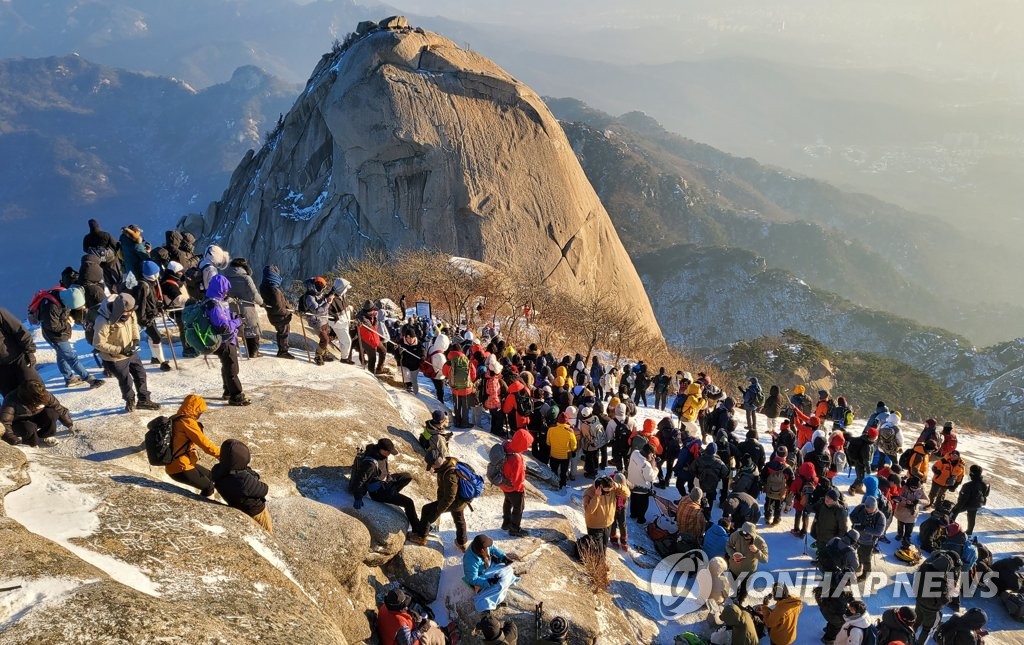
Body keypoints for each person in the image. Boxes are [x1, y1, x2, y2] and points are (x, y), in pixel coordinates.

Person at [92, 294, 160, 412]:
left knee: (140, 374)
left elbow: (134, 326)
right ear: (118, 310)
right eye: (126, 312)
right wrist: (120, 350)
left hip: (131, 351)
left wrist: (136, 340)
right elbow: (98, 343)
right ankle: (130, 401)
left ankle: (144, 400)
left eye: (131, 311)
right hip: (114, 357)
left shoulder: (131, 312)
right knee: (126, 380)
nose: (129, 314)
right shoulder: (103, 320)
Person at [37, 285, 103, 388]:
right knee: (71, 358)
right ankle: (90, 379)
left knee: (62, 355)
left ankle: (69, 379)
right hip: (55, 336)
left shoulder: (64, 294)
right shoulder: (50, 307)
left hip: (59, 332)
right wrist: (68, 324)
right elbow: (53, 326)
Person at [352, 437, 419, 532]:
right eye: (388, 452)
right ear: (382, 449)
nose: (389, 455)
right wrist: (358, 496)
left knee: (407, 477)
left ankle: (392, 494)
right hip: (378, 493)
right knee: (409, 502)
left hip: (386, 483)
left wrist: (389, 478)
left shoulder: (381, 454)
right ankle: (417, 529)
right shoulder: (370, 463)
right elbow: (360, 480)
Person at [409, 451, 471, 550]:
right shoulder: (451, 461)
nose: (432, 468)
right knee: (459, 520)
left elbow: (450, 497)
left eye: (432, 465)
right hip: (462, 499)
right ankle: (462, 542)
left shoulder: (450, 475)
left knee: (427, 510)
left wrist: (438, 509)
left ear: (437, 463)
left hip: (455, 500)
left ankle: (421, 537)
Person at [205, 275, 250, 406]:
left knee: (227, 366)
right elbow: (223, 327)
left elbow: (224, 320)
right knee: (232, 368)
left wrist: (234, 318)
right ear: (220, 289)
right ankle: (236, 396)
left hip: (223, 340)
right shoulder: (214, 305)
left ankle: (228, 391)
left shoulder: (213, 300)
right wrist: (238, 321)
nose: (226, 292)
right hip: (224, 341)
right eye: (225, 289)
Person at [211, 438, 272, 532]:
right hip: (256, 511)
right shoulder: (242, 479)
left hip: (237, 505)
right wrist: (253, 477)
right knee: (267, 532)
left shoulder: (218, 470)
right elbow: (264, 489)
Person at [165, 394, 220, 496]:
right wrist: (221, 455)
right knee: (209, 487)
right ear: (195, 409)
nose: (200, 414)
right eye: (200, 411)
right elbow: (205, 444)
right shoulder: (187, 422)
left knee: (211, 476)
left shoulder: (174, 418)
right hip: (181, 467)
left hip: (176, 464)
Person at [0, 379, 74, 447]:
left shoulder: (44, 394)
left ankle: (45, 435)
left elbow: (58, 408)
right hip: (19, 423)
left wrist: (70, 424)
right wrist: (15, 442)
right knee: (29, 427)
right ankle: (32, 444)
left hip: (35, 417)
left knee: (52, 413)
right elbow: (4, 423)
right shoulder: (11, 401)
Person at [463, 534, 520, 612]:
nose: (489, 547)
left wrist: (503, 557)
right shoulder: (469, 560)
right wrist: (488, 582)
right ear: (483, 550)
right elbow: (473, 579)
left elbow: (493, 548)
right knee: (498, 585)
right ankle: (486, 603)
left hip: (489, 567)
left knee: (508, 569)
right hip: (481, 576)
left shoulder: (481, 547)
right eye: (487, 547)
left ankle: (497, 593)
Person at [222, 257, 264, 358]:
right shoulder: (246, 278)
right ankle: (253, 352)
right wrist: (261, 303)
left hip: (232, 307)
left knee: (238, 328)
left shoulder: (226, 277)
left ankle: (237, 350)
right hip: (247, 307)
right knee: (252, 328)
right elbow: (254, 294)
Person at [376, 588, 446, 645]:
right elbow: (407, 643)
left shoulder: (385, 607)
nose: (406, 606)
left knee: (427, 623)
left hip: (390, 636)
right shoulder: (400, 624)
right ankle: (445, 640)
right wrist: (420, 630)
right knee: (430, 635)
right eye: (403, 605)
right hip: (404, 641)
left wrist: (411, 615)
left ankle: (442, 631)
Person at [135, 261, 171, 371]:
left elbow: (150, 300)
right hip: (146, 318)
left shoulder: (148, 284)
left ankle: (155, 357)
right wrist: (144, 320)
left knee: (153, 336)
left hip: (149, 315)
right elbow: (141, 304)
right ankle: (162, 362)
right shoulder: (143, 286)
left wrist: (157, 305)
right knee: (157, 337)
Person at [500, 428, 532, 537]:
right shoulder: (517, 459)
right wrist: (521, 490)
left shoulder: (507, 446)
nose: (527, 447)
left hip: (504, 483)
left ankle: (506, 523)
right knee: (519, 507)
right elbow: (517, 478)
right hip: (514, 487)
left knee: (508, 502)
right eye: (527, 444)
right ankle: (514, 528)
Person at [0, 306, 39, 397]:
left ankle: (58, 411)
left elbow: (19, 329)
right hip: (1, 370)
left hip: (18, 358)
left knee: (37, 391)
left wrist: (29, 351)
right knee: (11, 399)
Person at [726, 521, 769, 603]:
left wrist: (756, 551)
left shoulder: (760, 542)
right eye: (743, 533)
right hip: (734, 569)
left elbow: (765, 559)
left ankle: (740, 602)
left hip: (748, 573)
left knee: (743, 593)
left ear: (753, 533)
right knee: (733, 589)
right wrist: (733, 554)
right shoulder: (736, 535)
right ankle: (734, 597)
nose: (745, 536)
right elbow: (728, 545)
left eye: (748, 534)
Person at [259, 265, 294, 359]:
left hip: (273, 315)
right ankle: (283, 351)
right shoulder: (274, 289)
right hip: (280, 316)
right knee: (283, 333)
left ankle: (282, 350)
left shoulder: (264, 286)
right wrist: (288, 313)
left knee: (281, 332)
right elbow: (279, 307)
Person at [849, 495, 885, 581]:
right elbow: (852, 516)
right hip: (857, 538)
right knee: (859, 553)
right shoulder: (861, 508)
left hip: (868, 542)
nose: (868, 510)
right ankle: (859, 566)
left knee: (867, 558)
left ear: (875, 507)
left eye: (871, 508)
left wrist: (865, 529)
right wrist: (856, 523)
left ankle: (866, 574)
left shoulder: (880, 516)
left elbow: (879, 532)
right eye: (867, 508)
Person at [950, 464, 989, 536]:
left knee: (954, 512)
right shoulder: (986, 483)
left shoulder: (968, 485)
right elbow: (986, 494)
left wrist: (957, 507)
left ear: (972, 473)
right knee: (972, 516)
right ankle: (969, 531)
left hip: (968, 504)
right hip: (978, 504)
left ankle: (949, 528)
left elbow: (963, 499)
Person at [302, 277, 334, 365]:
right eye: (322, 287)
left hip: (323, 319)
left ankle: (324, 354)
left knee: (327, 338)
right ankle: (318, 356)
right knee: (325, 339)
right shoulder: (309, 297)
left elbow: (321, 300)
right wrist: (328, 302)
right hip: (316, 321)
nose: (323, 289)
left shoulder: (316, 294)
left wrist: (330, 294)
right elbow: (317, 310)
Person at [443, 343, 474, 428]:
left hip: (455, 389)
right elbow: (473, 374)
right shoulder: (467, 361)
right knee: (465, 407)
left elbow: (444, 372)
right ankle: (465, 423)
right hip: (466, 389)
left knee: (457, 406)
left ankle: (457, 421)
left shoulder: (449, 362)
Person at [762, 448, 793, 526]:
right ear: (786, 456)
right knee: (778, 505)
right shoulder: (788, 468)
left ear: (776, 454)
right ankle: (776, 519)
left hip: (769, 489)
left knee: (768, 503)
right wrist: (788, 488)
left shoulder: (769, 464)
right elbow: (792, 480)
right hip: (781, 491)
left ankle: (767, 517)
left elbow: (763, 475)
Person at [894, 476, 929, 546]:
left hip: (912, 512)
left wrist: (919, 501)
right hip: (902, 510)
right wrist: (905, 501)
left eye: (916, 488)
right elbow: (898, 496)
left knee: (910, 526)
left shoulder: (921, 491)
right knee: (900, 524)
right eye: (912, 487)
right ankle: (900, 534)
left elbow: (927, 501)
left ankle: (907, 537)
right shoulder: (904, 488)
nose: (914, 489)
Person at [546, 411, 577, 490]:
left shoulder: (551, 429)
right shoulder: (570, 431)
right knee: (563, 472)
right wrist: (573, 451)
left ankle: (553, 484)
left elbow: (548, 442)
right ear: (567, 421)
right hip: (565, 456)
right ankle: (562, 485)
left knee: (554, 471)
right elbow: (574, 445)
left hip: (554, 454)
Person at [627, 443, 656, 524]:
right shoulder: (646, 465)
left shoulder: (635, 453)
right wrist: (654, 467)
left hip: (631, 484)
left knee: (634, 501)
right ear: (649, 454)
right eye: (652, 454)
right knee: (642, 505)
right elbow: (650, 478)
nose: (653, 456)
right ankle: (641, 519)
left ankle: (633, 514)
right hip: (642, 489)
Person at [356, 300, 388, 374]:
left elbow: (374, 328)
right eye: (373, 310)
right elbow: (371, 327)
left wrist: (374, 317)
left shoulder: (371, 315)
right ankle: (371, 374)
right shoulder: (362, 318)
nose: (375, 311)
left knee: (383, 351)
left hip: (375, 338)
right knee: (372, 358)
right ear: (369, 311)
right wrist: (375, 318)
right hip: (367, 340)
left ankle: (379, 368)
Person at [396, 326, 424, 393]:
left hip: (414, 365)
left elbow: (422, 351)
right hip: (404, 364)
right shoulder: (401, 343)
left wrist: (423, 357)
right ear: (405, 338)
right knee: (407, 374)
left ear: (414, 337)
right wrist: (398, 351)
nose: (410, 340)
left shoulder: (418, 344)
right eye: (408, 338)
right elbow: (396, 354)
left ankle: (416, 393)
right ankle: (408, 386)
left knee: (414, 380)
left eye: (412, 338)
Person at [607, 472, 630, 550]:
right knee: (612, 523)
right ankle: (613, 538)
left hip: (622, 506)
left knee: (622, 523)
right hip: (612, 506)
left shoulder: (625, 486)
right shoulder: (610, 486)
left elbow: (628, 493)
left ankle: (624, 541)